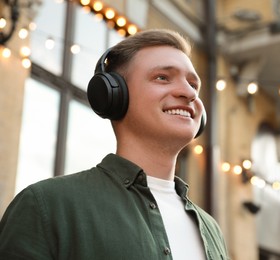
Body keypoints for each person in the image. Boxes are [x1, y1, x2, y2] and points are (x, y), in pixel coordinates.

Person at [0, 29, 229, 260]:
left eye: (193, 84)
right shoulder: (46, 206)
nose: (189, 93)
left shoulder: (212, 230)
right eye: (162, 77)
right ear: (113, 95)